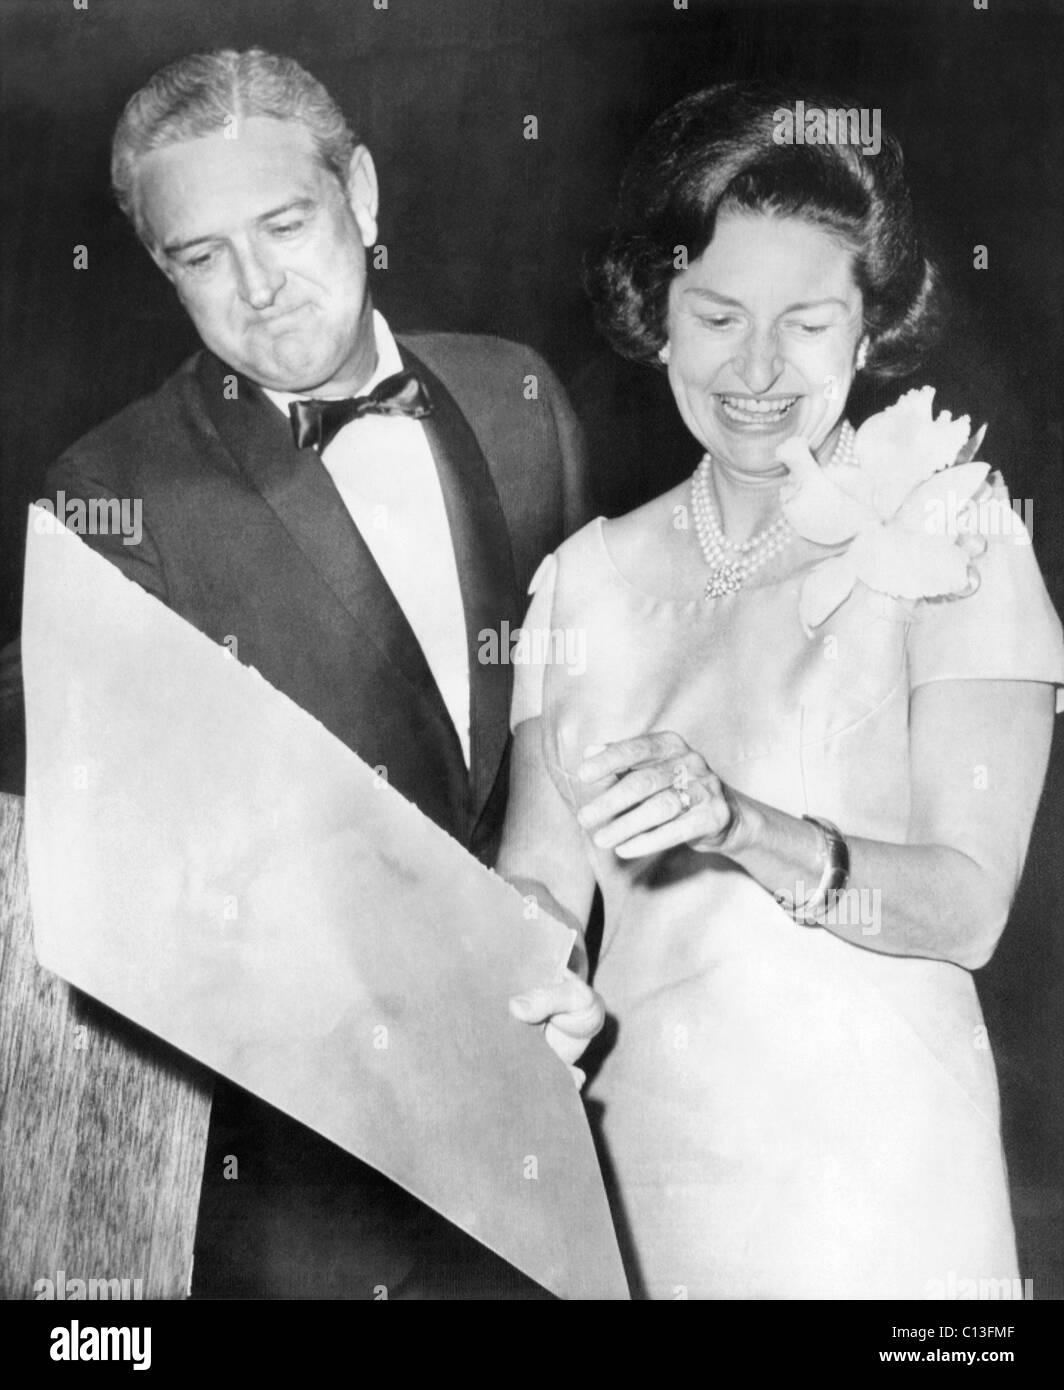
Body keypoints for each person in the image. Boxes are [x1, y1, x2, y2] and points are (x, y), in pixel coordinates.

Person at [38, 47, 602, 1300]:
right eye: (199, 256)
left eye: (284, 223)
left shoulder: (520, 398)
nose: (257, 287)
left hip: (554, 1132)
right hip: (309, 1188)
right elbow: (128, 892)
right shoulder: (108, 495)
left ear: (362, 193)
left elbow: (571, 723)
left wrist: (549, 928)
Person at [497, 82, 1064, 1299]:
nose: (754, 367)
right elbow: (537, 881)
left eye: (804, 323)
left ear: (869, 331)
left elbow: (965, 908)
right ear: (656, 316)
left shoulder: (956, 530)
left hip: (880, 1204)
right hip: (645, 1192)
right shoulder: (580, 582)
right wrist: (514, 981)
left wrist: (741, 824)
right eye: (714, 315)